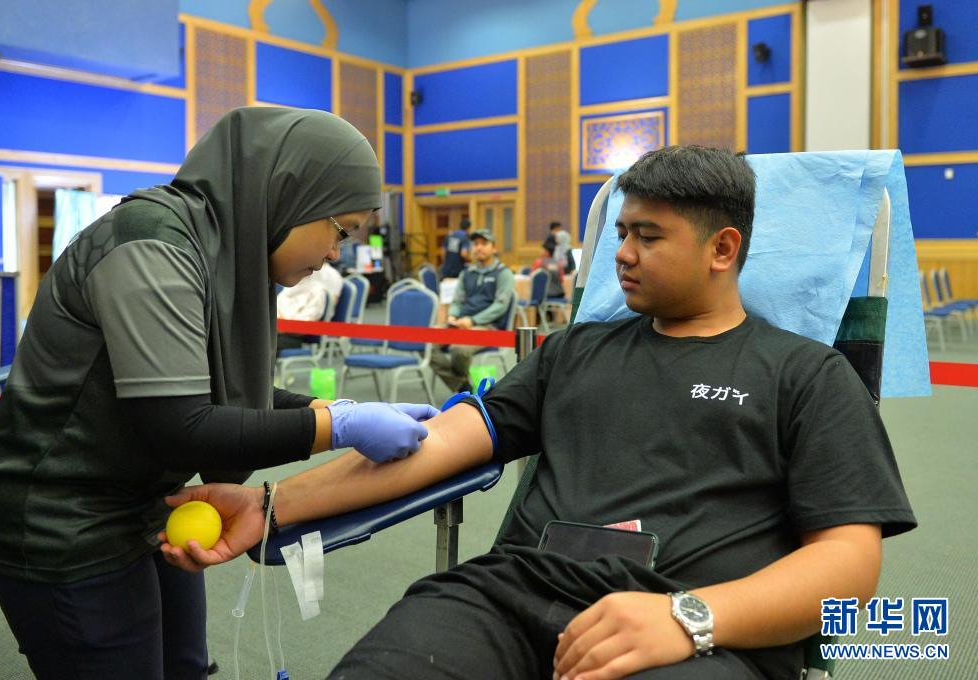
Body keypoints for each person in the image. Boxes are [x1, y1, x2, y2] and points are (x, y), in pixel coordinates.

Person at [160, 146, 916, 680]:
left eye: (648, 236)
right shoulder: (574, 351)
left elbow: (849, 565)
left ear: (723, 249)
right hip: (510, 597)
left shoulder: (805, 375)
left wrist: (690, 617)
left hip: (689, 629)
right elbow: (433, 445)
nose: (621, 255)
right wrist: (269, 503)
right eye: (621, 232)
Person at [0, 107, 439, 680]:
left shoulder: (223, 254)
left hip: (145, 500)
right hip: (58, 515)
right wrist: (338, 428)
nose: (338, 252)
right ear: (292, 197)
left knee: (185, 667)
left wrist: (336, 409)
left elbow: (222, 392)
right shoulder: (153, 242)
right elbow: (182, 423)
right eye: (341, 230)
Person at [430, 229, 515, 393]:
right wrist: (453, 315)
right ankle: (462, 386)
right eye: (476, 244)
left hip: (488, 327)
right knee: (426, 344)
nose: (479, 247)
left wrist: (473, 321)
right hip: (460, 324)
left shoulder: (503, 273)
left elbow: (500, 306)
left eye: (484, 244)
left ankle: (463, 390)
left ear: (494, 248)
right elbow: (457, 301)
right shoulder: (466, 273)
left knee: (458, 349)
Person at [276, 262, 345, 354]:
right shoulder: (291, 286)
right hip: (277, 331)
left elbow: (303, 327)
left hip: (291, 336)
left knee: (264, 345)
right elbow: (275, 310)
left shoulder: (318, 291)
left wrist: (281, 325)